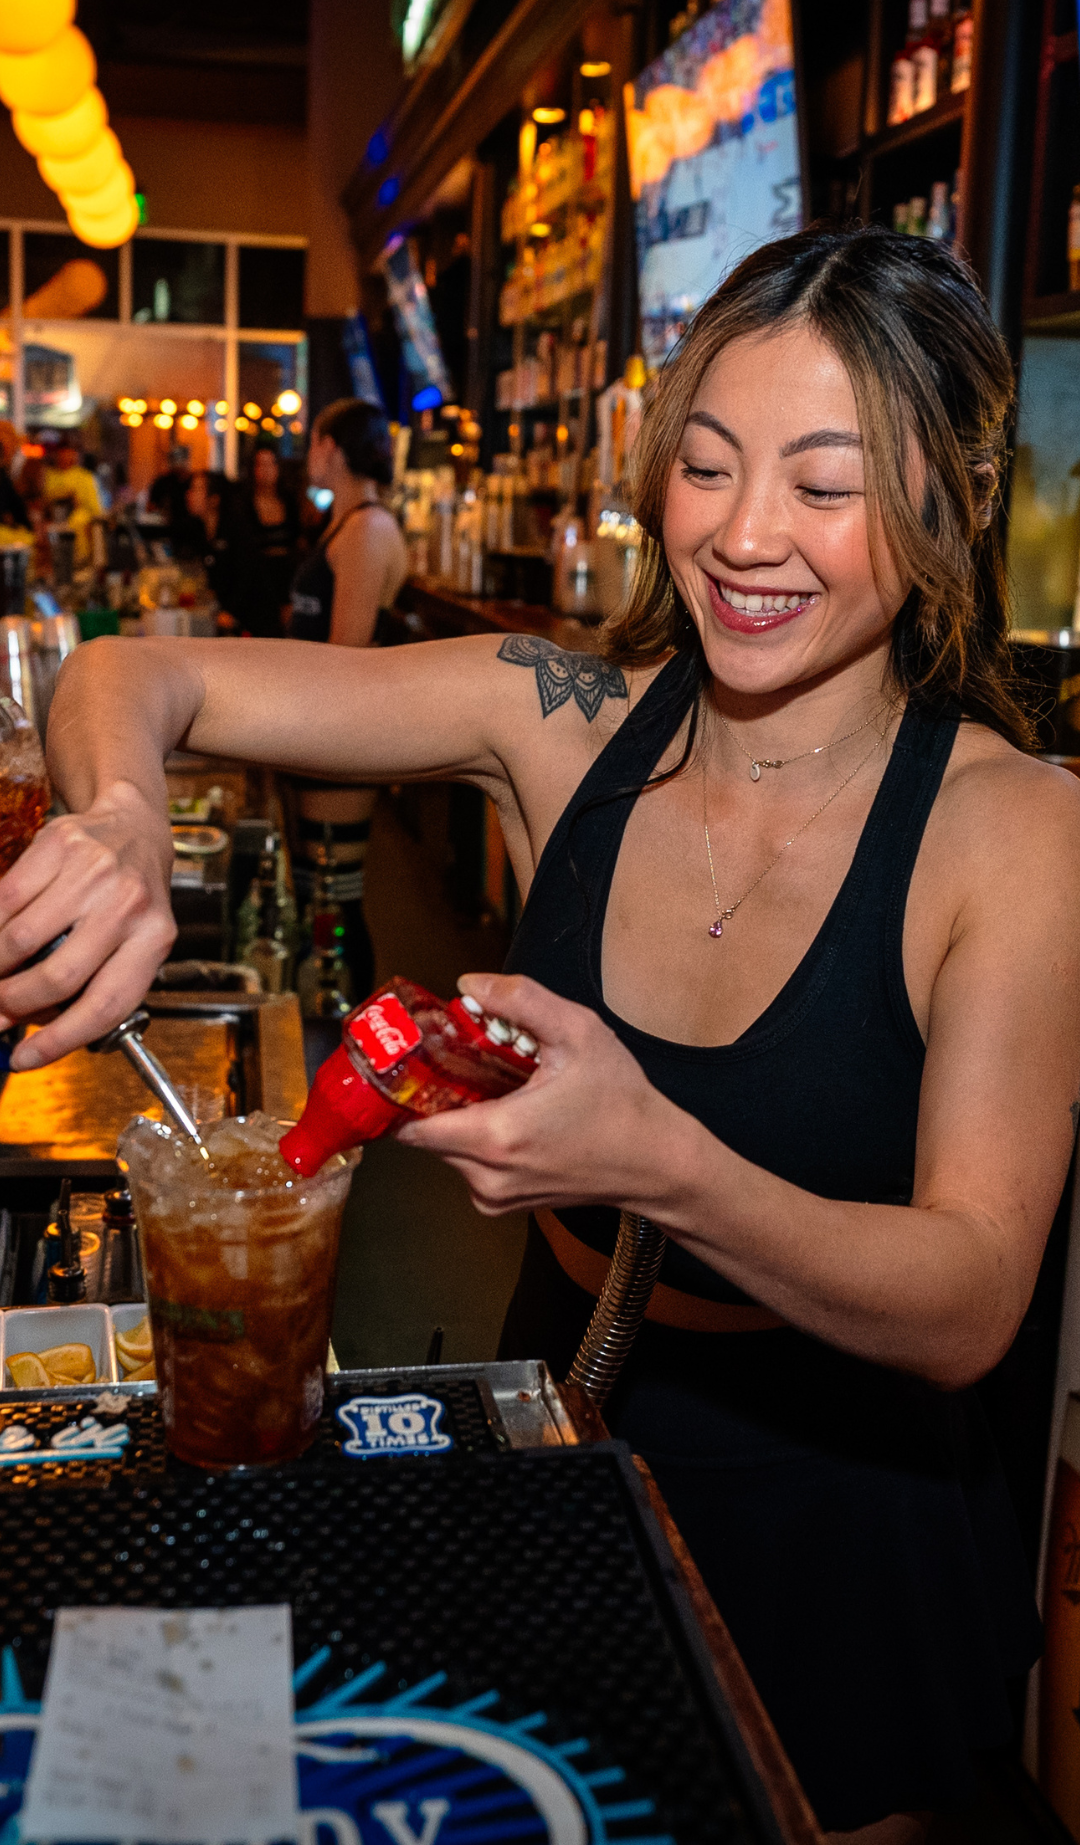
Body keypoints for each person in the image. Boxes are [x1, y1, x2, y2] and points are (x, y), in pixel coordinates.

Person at [4, 225, 1080, 1842]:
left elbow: (971, 1299)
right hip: (552, 1425)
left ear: (950, 500)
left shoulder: (1014, 829)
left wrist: (662, 1164)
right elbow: (132, 674)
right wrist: (126, 818)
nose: (744, 535)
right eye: (707, 467)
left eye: (824, 483)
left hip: (841, 1523)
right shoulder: (556, 715)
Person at [286, 398, 408, 998]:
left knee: (334, 896)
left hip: (340, 741)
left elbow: (346, 654)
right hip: (319, 734)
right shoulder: (346, 522)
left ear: (331, 447)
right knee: (318, 893)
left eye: (312, 440)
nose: (307, 454)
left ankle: (352, 1037)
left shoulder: (368, 529)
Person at [230, 442, 300, 637]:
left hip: (285, 577)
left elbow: (296, 544)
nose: (265, 471)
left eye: (270, 464)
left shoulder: (289, 500)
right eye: (260, 465)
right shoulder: (243, 504)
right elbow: (244, 552)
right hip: (256, 584)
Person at [182, 470, 237, 629]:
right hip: (219, 616)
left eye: (197, 489)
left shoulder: (235, 531)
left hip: (247, 624)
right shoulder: (199, 530)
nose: (189, 494)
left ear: (214, 499)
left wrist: (230, 612)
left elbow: (246, 578)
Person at [43, 433, 103, 566]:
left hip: (78, 517)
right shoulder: (47, 475)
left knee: (77, 521)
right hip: (51, 517)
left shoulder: (85, 477)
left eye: (69, 454)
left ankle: (78, 562)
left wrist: (76, 502)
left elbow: (95, 509)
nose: (65, 457)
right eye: (62, 454)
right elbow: (42, 500)